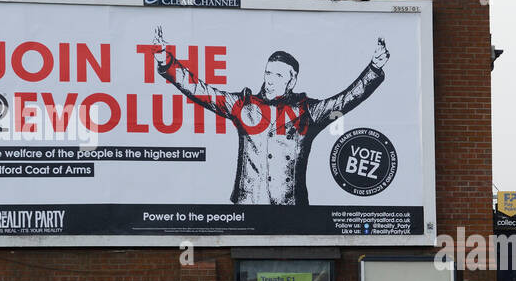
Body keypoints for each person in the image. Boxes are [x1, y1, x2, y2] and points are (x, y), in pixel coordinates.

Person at [152, 26, 389, 205]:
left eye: (277, 75)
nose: (269, 80)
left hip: (291, 208)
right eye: (267, 73)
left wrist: (374, 70)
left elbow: (346, 100)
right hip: (248, 206)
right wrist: (166, 61)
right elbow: (201, 91)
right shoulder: (242, 105)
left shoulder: (307, 111)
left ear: (292, 79)